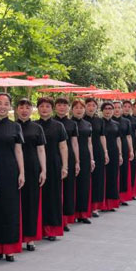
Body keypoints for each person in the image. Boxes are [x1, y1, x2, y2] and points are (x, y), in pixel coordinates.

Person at [0, 93, 24, 262]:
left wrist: (22, 172)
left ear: (10, 106)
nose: (2, 106)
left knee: (10, 209)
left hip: (10, 170)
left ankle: (9, 249)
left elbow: (18, 151)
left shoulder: (15, 126)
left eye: (6, 103)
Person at [35, 97, 68, 240]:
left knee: (53, 197)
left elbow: (63, 147)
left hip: (54, 163)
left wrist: (65, 166)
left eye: (47, 106)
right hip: (36, 164)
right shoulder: (33, 125)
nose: (44, 109)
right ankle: (37, 228)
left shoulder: (58, 126)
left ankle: (51, 230)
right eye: (42, 106)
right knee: (38, 197)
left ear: (52, 109)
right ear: (37, 108)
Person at [16, 98, 46, 251]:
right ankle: (16, 237)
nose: (24, 110)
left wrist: (43, 170)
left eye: (27, 108)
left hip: (33, 167)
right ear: (17, 109)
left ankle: (30, 238)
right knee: (16, 203)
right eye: (21, 107)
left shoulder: (37, 128)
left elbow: (41, 150)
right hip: (13, 168)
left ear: (32, 110)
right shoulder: (12, 127)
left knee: (31, 202)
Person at [54, 98, 79, 230]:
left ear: (68, 108)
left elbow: (74, 144)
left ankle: (65, 220)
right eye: (59, 105)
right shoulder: (51, 122)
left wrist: (77, 161)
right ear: (55, 107)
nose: (62, 108)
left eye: (64, 105)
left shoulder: (72, 124)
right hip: (52, 158)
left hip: (68, 158)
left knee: (68, 189)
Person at [71, 99, 95, 223]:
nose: (79, 110)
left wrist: (92, 159)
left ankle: (83, 214)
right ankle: (71, 214)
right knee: (72, 186)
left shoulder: (87, 124)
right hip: (72, 156)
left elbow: (90, 143)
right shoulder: (68, 123)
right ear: (72, 110)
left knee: (84, 185)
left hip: (85, 155)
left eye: (81, 108)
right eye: (76, 108)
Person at [85, 98, 108, 216]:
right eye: (88, 105)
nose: (91, 107)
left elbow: (102, 137)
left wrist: (105, 152)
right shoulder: (80, 120)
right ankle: (84, 207)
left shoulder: (100, 121)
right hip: (84, 151)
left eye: (93, 105)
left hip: (98, 150)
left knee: (97, 179)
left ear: (96, 107)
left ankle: (95, 207)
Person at [101, 101, 122, 211]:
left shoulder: (116, 124)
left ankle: (110, 204)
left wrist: (120, 154)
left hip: (114, 152)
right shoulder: (99, 123)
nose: (108, 111)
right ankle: (101, 204)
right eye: (106, 108)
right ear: (102, 111)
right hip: (101, 152)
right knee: (102, 178)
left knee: (113, 177)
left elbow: (118, 139)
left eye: (110, 109)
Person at [114, 101, 134, 205]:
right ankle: (113, 197)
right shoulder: (107, 121)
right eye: (115, 107)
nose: (117, 110)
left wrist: (131, 150)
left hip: (124, 147)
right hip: (112, 147)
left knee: (123, 172)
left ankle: (122, 197)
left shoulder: (126, 121)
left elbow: (129, 136)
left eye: (119, 107)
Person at [127, 101, 136, 200]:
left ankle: (131, 191)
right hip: (122, 147)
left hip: (133, 146)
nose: (126, 108)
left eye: (128, 106)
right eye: (124, 106)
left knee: (132, 170)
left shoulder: (135, 120)